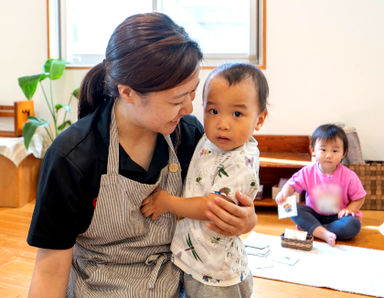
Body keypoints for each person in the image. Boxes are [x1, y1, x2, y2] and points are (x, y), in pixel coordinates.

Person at [26, 13, 258, 297]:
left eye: (192, 94)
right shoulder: (72, 158)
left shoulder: (188, 135)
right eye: (176, 99)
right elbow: (49, 272)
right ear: (128, 92)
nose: (188, 108)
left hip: (178, 284)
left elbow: (218, 207)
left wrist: (246, 221)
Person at [141, 62, 268, 297]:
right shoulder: (210, 141)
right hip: (197, 260)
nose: (222, 123)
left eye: (237, 114)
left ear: (259, 120)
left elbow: (212, 206)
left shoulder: (240, 162)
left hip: (215, 275)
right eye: (213, 111)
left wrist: (166, 202)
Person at [275, 124, 366, 246]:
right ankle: (320, 231)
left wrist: (349, 210)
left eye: (335, 151)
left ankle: (314, 229)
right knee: (292, 208)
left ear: (343, 153)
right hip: (314, 214)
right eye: (323, 150)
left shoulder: (349, 176)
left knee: (353, 225)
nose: (328, 155)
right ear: (313, 150)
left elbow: (359, 197)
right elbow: (291, 185)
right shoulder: (307, 172)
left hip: (337, 218)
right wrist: (283, 193)